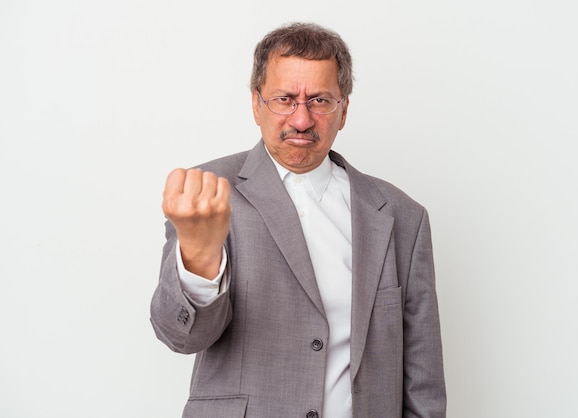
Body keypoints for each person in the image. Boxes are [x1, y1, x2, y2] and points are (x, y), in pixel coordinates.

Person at [150, 22, 446, 418]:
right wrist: (200, 262)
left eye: (320, 100)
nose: (302, 120)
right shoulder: (207, 194)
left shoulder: (402, 216)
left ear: (344, 110)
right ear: (257, 104)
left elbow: (423, 382)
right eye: (285, 99)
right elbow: (180, 336)